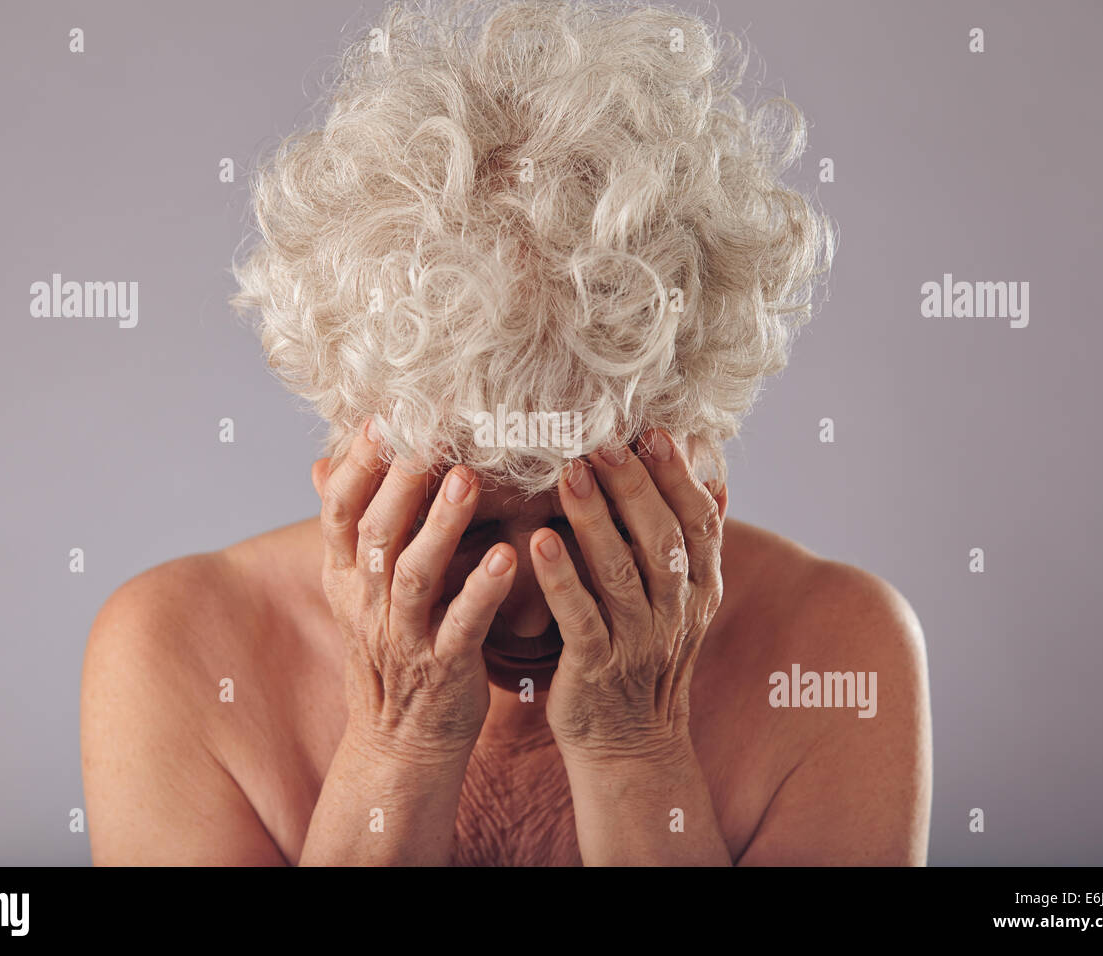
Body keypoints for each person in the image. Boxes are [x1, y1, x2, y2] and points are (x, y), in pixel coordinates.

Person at [80, 0, 931, 866]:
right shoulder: (177, 651)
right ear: (347, 478)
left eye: (585, 527)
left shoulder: (839, 651)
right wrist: (397, 739)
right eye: (469, 529)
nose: (528, 605)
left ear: (697, 474)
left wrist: (632, 745)